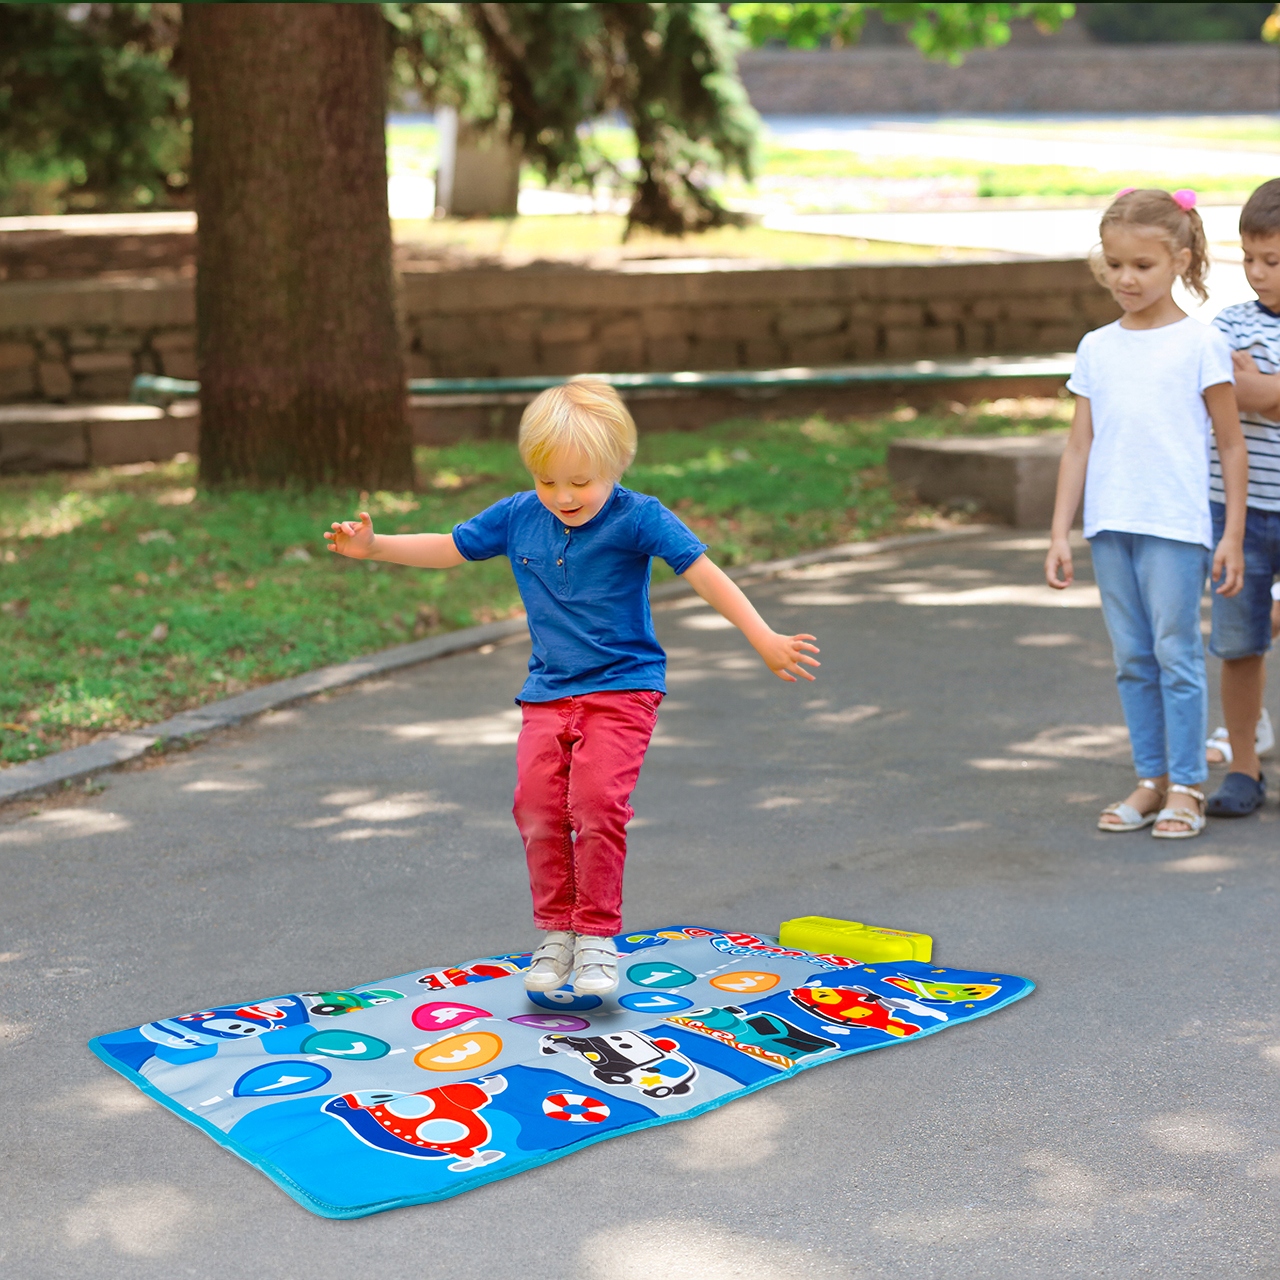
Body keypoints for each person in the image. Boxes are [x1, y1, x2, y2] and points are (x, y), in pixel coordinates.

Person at [325, 378, 819, 996]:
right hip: (548, 690)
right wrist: (375, 548)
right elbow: (450, 548)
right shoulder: (519, 515)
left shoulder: (640, 517)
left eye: (580, 482)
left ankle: (596, 940)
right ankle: (556, 932)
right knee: (535, 808)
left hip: (622, 687)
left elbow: (704, 573)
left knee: (595, 804)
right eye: (548, 480)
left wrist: (762, 635)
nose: (562, 496)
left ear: (615, 466)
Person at [1044, 187, 1248, 839]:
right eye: (1114, 264)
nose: (1125, 278)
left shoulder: (1200, 344)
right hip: (1110, 526)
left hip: (1176, 527)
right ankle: (1150, 779)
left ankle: (1188, 785)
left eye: (1142, 265)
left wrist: (1233, 535)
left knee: (1176, 654)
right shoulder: (1097, 347)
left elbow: (1231, 442)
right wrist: (1060, 532)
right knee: (1133, 657)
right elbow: (1080, 444)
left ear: (1180, 261)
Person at [1199, 178, 1280, 816]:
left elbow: (1251, 394)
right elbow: (1230, 397)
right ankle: (1246, 770)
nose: (1257, 273)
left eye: (1273, 261)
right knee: (1239, 640)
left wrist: (1264, 388)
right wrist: (1261, 393)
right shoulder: (1226, 324)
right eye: (1248, 259)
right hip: (1239, 512)